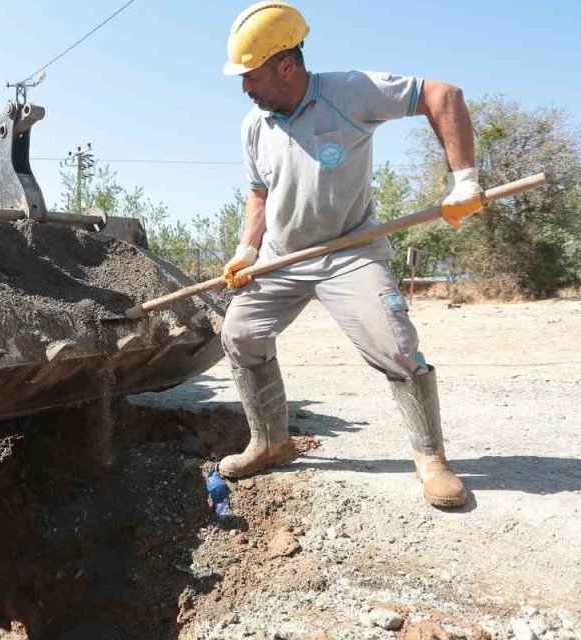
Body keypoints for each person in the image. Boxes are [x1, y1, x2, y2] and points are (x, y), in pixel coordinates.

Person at [218, 2, 483, 508]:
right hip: (281, 257)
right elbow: (258, 192)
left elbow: (442, 95)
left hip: (349, 250)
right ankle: (271, 442)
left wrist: (464, 180)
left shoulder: (349, 91)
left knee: (395, 347)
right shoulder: (255, 125)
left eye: (251, 76)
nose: (245, 89)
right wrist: (247, 248)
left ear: (286, 66)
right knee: (240, 334)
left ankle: (431, 460)